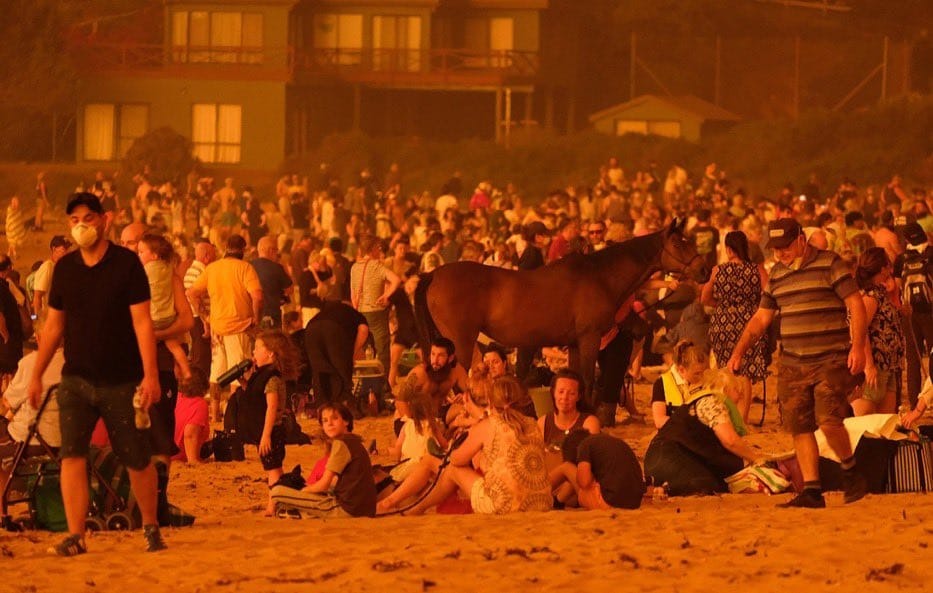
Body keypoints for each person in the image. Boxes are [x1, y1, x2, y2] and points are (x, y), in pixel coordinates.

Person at [28, 192, 165, 555]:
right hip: (76, 379)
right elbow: (54, 326)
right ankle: (76, 535)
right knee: (72, 456)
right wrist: (37, 373)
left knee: (136, 457)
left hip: (122, 380)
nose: (81, 226)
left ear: (105, 220)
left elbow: (142, 323)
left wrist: (150, 375)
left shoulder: (127, 265)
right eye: (74, 220)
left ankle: (150, 525)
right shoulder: (65, 270)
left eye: (88, 218)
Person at [728, 218, 868, 508]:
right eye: (776, 248)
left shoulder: (830, 264)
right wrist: (739, 351)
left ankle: (851, 468)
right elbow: (761, 318)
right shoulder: (777, 275)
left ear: (802, 240)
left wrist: (857, 347)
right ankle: (812, 490)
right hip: (792, 362)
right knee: (799, 427)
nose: (780, 253)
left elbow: (855, 303)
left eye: (786, 246)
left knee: (828, 421)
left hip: (830, 358)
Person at [407, 376, 552, 515]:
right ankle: (417, 506)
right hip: (542, 502)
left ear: (491, 401)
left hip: (504, 506)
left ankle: (419, 507)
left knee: (453, 470)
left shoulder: (489, 424)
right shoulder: (533, 424)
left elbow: (456, 459)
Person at [644, 371, 769, 497]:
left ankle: (660, 486)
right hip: (668, 459)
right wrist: (757, 459)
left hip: (661, 458)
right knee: (706, 485)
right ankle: (663, 489)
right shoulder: (713, 402)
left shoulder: (701, 400)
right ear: (725, 389)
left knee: (716, 481)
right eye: (736, 389)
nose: (740, 394)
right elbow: (730, 441)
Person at [187, 234, 263, 422]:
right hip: (239, 326)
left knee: (216, 373)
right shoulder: (245, 268)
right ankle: (235, 414)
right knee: (239, 372)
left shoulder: (212, 268)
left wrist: (205, 316)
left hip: (217, 329)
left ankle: (214, 416)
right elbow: (258, 297)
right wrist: (256, 319)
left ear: (225, 248)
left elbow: (192, 293)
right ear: (243, 249)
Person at [701, 231, 769, 422]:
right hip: (749, 321)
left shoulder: (718, 271)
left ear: (729, 249)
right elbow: (769, 294)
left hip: (722, 323)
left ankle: (728, 415)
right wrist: (751, 305)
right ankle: (742, 418)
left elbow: (704, 298)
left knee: (726, 369)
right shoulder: (757, 270)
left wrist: (723, 305)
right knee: (744, 370)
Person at [270, 403, 377, 518]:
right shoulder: (354, 441)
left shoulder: (341, 444)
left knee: (276, 492)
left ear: (346, 421)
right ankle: (301, 513)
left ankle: (301, 513)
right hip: (365, 509)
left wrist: (302, 492)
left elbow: (324, 484)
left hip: (347, 509)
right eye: (325, 421)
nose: (330, 424)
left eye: (334, 418)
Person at [238, 330, 300, 515]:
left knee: (273, 469)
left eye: (258, 348)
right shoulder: (261, 374)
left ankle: (273, 505)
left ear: (271, 353)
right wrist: (244, 383)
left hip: (271, 431)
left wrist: (266, 436)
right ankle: (281, 499)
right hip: (265, 431)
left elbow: (271, 407)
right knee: (274, 468)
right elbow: (256, 397)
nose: (254, 352)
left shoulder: (272, 377)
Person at [0, 327, 64, 491]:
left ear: (39, 336)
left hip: (34, 441)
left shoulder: (31, 363)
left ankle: (3, 503)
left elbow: (7, 402)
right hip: (70, 440)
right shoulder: (77, 363)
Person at [852, 248, 904, 415]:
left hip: (889, 364)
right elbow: (860, 330)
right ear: (883, 269)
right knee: (866, 414)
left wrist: (894, 292)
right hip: (876, 364)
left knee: (886, 418)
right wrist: (869, 365)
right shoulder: (870, 296)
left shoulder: (880, 292)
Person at [138, 233, 191, 380]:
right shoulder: (168, 269)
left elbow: (188, 320)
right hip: (168, 318)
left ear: (154, 255)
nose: (138, 255)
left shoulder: (144, 271)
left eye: (141, 252)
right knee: (173, 345)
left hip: (153, 319)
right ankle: (185, 368)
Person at [549, 429, 645, 510]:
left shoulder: (584, 445)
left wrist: (577, 471)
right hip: (634, 503)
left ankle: (542, 490)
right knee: (575, 476)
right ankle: (557, 501)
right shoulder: (609, 442)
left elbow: (584, 482)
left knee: (566, 467)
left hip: (609, 503)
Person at [894, 222, 933, 407]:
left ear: (906, 239)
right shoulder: (931, 253)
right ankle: (930, 397)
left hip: (909, 313)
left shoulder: (901, 259)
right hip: (931, 312)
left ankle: (914, 401)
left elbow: (897, 286)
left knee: (913, 359)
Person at [304, 300, 369, 406]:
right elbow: (364, 330)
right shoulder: (354, 313)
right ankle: (344, 405)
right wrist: (353, 351)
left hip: (310, 329)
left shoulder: (325, 311)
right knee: (342, 372)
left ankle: (321, 406)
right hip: (334, 329)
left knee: (319, 371)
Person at [350, 236, 400, 376]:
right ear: (372, 249)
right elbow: (396, 280)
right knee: (382, 349)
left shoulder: (354, 267)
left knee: (365, 349)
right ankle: (382, 383)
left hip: (360, 313)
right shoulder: (377, 266)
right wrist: (386, 295)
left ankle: (366, 378)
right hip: (376, 312)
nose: (380, 251)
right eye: (378, 248)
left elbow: (353, 295)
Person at [403, 337, 469, 417]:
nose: (435, 360)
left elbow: (471, 392)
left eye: (440, 355)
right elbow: (400, 400)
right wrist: (410, 421)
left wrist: (464, 395)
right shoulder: (419, 373)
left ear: (450, 358)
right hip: (417, 418)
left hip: (439, 417)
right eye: (433, 354)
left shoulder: (456, 370)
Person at [537, 369, 600, 452]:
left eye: (571, 393)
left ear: (578, 396)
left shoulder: (589, 424)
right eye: (561, 392)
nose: (565, 397)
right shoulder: (543, 422)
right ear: (553, 393)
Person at [183, 239, 216, 375]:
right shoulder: (202, 272)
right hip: (200, 320)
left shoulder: (192, 270)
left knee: (200, 353)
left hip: (196, 318)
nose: (215, 259)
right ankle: (200, 383)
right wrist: (206, 320)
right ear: (207, 256)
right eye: (214, 255)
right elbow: (194, 297)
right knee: (202, 356)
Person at [251, 236, 292, 329]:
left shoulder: (248, 266)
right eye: (276, 250)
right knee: (273, 338)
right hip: (272, 315)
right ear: (270, 250)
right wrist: (284, 266)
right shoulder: (277, 268)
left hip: (252, 315)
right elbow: (290, 289)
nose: (277, 253)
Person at [172, 367, 210, 464]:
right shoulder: (200, 404)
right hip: (177, 456)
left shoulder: (176, 396)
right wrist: (193, 459)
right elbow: (190, 434)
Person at [32, 235, 71, 323]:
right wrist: (38, 321)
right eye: (64, 249)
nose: (67, 252)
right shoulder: (48, 267)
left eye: (68, 248)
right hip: (49, 319)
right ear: (54, 249)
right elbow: (37, 297)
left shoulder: (60, 267)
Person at [5, 196, 26, 260]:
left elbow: (18, 219)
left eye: (17, 202)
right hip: (11, 229)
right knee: (13, 242)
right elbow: (10, 219)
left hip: (15, 229)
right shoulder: (10, 209)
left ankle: (9, 254)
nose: (17, 204)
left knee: (12, 242)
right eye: (16, 202)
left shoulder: (17, 210)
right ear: (13, 202)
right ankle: (13, 254)